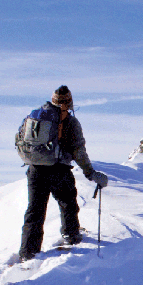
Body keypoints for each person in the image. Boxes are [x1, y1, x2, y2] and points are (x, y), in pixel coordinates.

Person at [18, 85, 107, 262]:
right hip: (59, 169)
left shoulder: (35, 116)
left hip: (35, 169)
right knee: (68, 203)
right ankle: (71, 235)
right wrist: (90, 173)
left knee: (34, 211)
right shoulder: (70, 122)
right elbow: (78, 151)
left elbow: (20, 138)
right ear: (70, 102)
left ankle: (28, 252)